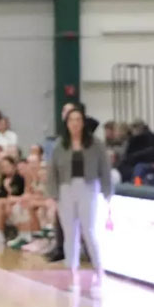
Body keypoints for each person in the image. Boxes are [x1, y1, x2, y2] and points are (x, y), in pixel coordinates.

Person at [47, 105, 112, 290]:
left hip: (88, 187)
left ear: (83, 122)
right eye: (71, 120)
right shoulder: (60, 146)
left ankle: (99, 269)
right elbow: (53, 172)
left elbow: (105, 169)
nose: (75, 124)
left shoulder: (96, 145)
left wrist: (108, 191)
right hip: (66, 189)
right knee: (70, 233)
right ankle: (71, 271)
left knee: (89, 230)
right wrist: (52, 194)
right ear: (66, 123)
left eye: (78, 120)